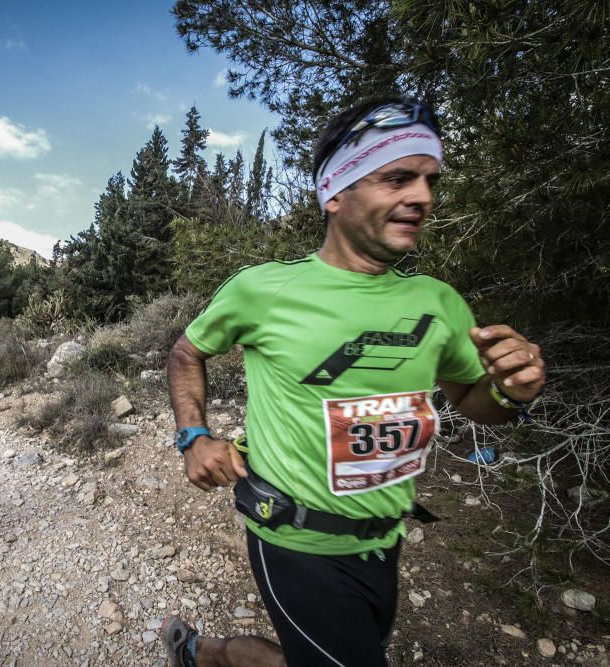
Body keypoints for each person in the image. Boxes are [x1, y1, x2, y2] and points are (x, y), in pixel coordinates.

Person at [162, 97, 545, 666]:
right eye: (397, 178)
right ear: (335, 193)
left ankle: (203, 655)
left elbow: (469, 397)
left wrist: (511, 393)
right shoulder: (263, 290)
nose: (422, 197)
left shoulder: (438, 302)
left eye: (428, 181)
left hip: (386, 540)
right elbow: (186, 352)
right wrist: (195, 436)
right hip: (294, 541)